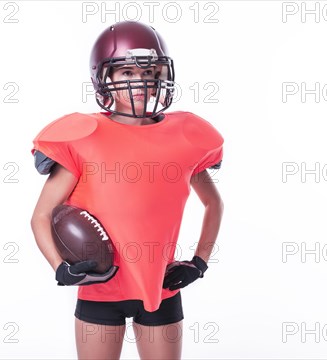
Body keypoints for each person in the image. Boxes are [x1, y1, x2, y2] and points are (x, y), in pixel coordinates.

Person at [30, 21, 224, 360]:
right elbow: (41, 215)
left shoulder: (186, 135)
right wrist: (60, 267)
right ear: (104, 78)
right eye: (126, 72)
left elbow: (213, 203)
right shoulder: (82, 135)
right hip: (99, 290)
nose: (140, 81)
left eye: (150, 71)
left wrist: (199, 263)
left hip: (160, 289)